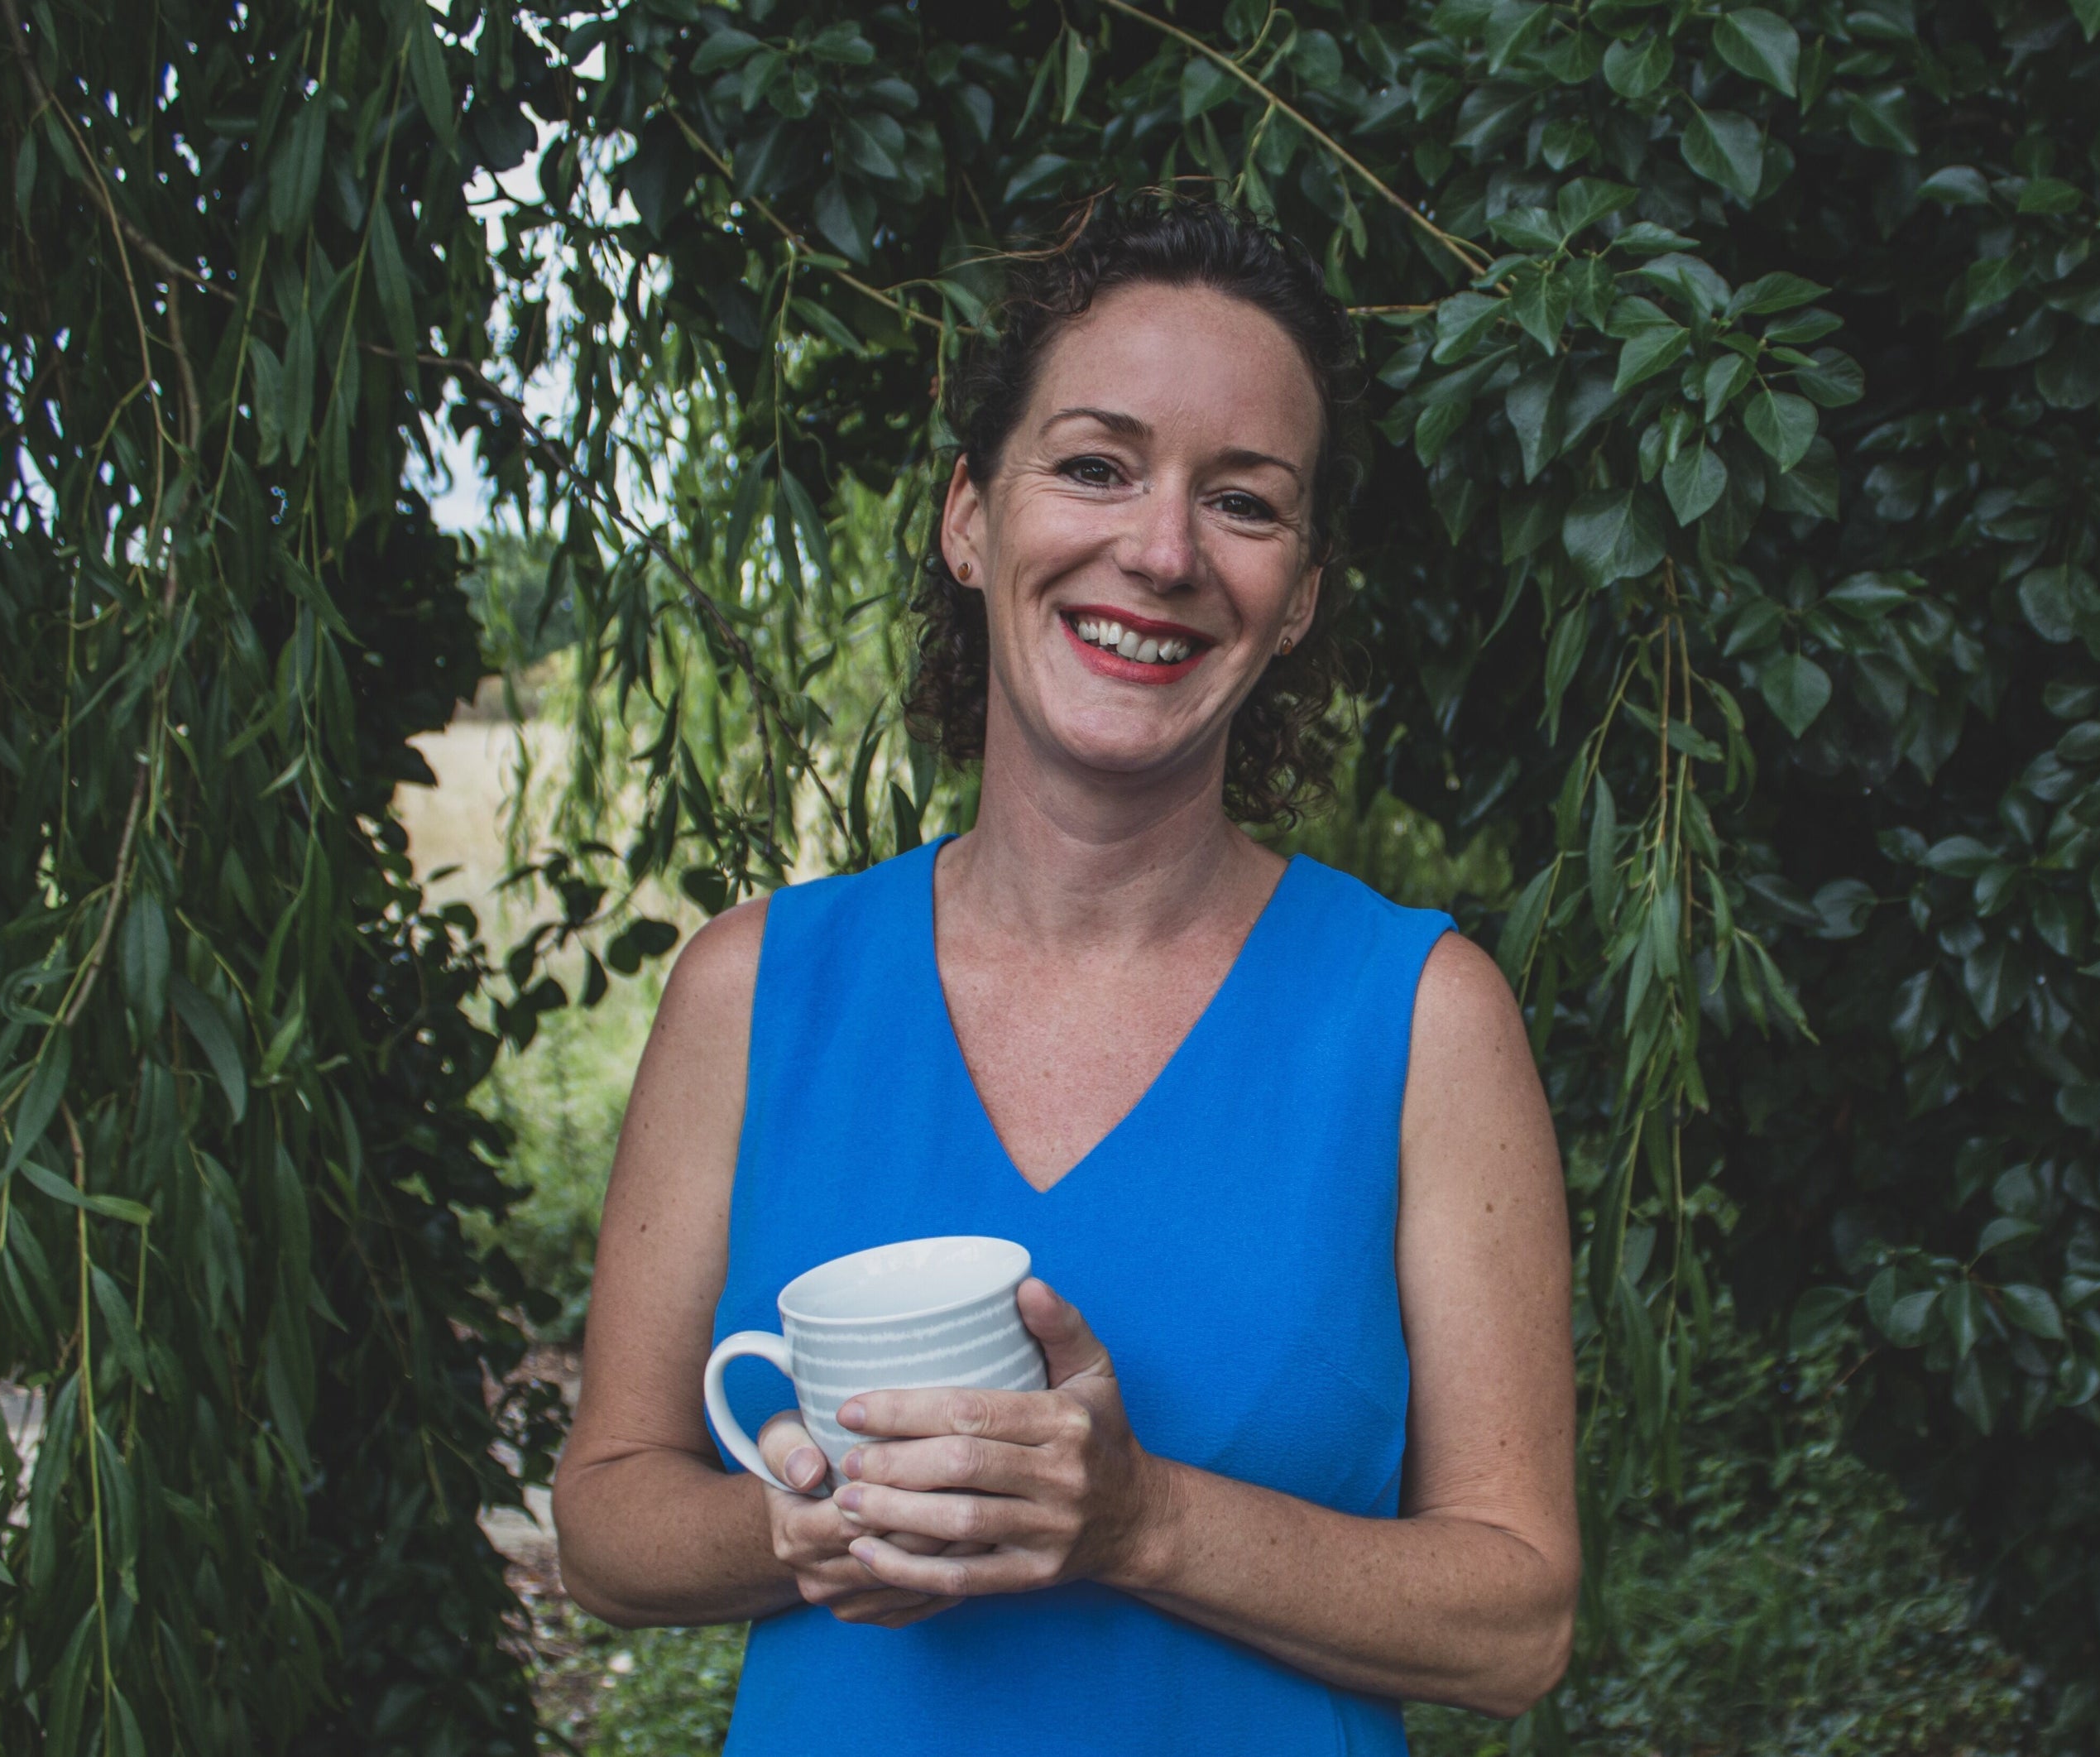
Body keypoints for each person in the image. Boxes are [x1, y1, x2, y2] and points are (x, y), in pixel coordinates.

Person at [550, 195, 1580, 1755]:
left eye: (1243, 503)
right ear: (970, 517)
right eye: (1096, 466)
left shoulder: (1422, 1018)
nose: (1159, 551)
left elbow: (1517, 1622)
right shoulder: (754, 992)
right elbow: (606, 1520)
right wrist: (800, 1532)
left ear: (1298, 593)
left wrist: (1138, 1522)